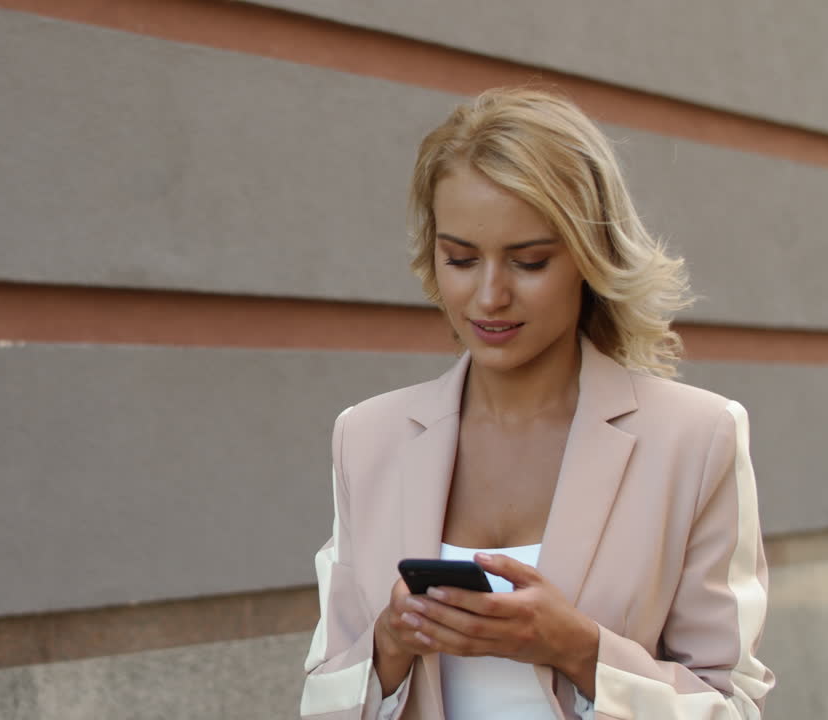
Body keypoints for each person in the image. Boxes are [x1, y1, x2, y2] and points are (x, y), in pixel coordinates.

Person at [299, 88, 774, 720]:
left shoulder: (699, 435)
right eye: (460, 258)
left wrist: (577, 649)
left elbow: (733, 705)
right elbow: (319, 696)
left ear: (588, 255)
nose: (489, 295)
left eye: (529, 261)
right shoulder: (366, 436)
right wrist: (387, 643)